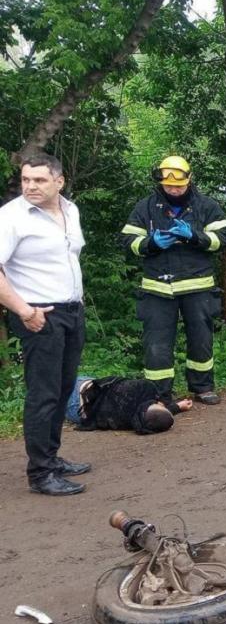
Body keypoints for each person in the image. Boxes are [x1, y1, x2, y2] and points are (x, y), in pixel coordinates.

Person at [0, 154, 89, 495]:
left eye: (39, 180)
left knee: (64, 388)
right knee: (43, 394)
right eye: (26, 180)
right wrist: (25, 311)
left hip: (72, 312)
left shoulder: (71, 210)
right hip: (39, 315)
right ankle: (40, 474)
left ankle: (51, 458)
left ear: (59, 182)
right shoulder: (12, 217)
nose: (30, 186)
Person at [120, 156, 226, 406]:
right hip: (157, 288)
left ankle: (203, 387)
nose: (173, 190)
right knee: (156, 343)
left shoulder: (206, 206)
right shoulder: (145, 207)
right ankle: (159, 394)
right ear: (160, 182)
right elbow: (128, 240)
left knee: (201, 339)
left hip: (198, 285)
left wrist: (195, 237)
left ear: (188, 180)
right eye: (169, 186)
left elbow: (223, 237)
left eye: (178, 186)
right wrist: (151, 243)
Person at [66, 375, 192, 434]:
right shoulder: (134, 422)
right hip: (79, 414)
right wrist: (177, 407)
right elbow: (154, 416)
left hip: (82, 393)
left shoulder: (144, 389)